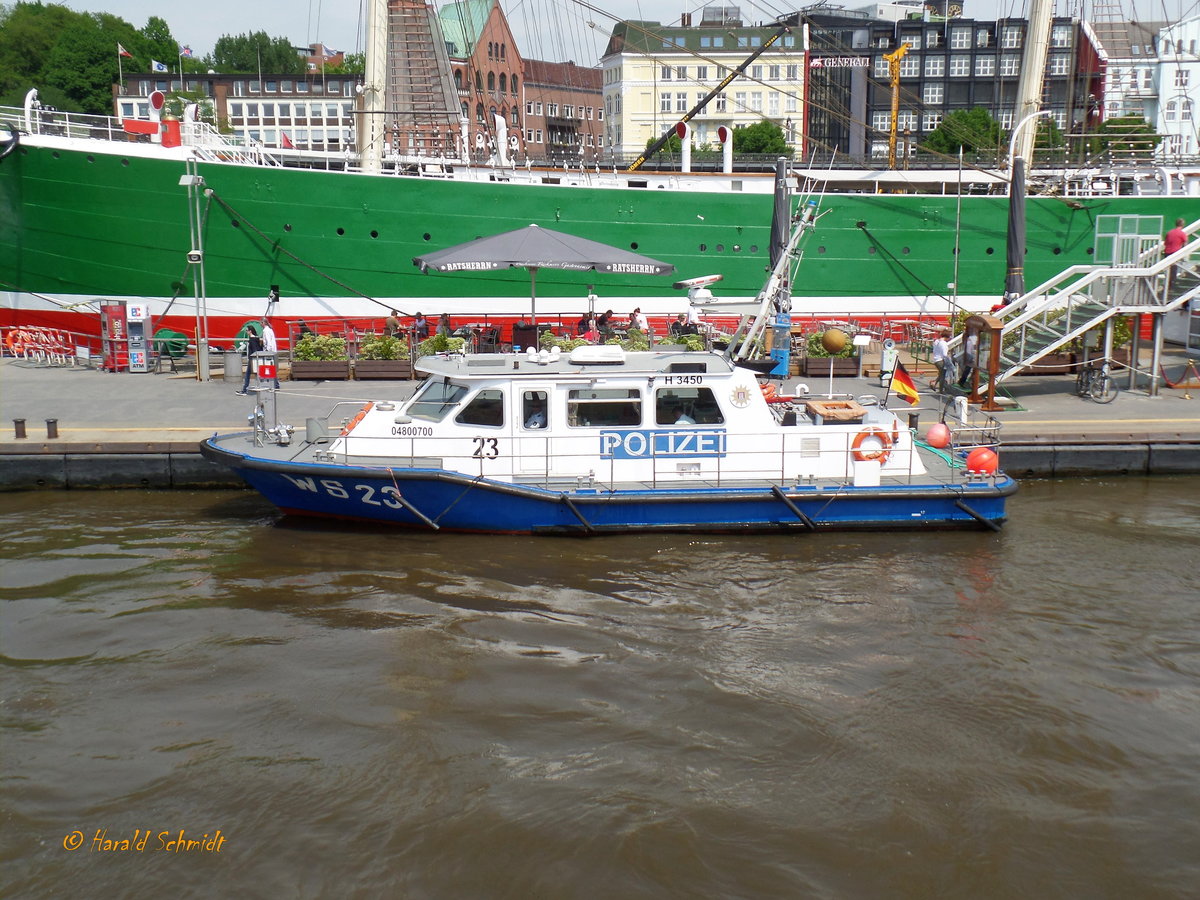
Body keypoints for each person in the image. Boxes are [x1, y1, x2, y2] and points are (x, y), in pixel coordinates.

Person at [236, 324, 264, 395]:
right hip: (255, 359)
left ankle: (244, 390)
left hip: (252, 359)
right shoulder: (256, 338)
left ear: (250, 331)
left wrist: (251, 358)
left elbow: (254, 350)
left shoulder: (252, 340)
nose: (246, 332)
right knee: (256, 373)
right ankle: (260, 386)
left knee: (248, 374)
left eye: (247, 330)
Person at [1164, 217, 1187, 291]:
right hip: (1175, 253)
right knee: (1174, 270)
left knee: (1168, 270)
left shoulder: (1169, 232)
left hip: (1167, 252)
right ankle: (1172, 286)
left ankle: (1167, 284)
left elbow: (1166, 243)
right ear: (1182, 224)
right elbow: (1185, 243)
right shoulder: (1182, 233)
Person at [931, 329, 952, 393]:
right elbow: (944, 354)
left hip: (936, 360)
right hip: (941, 360)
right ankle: (941, 390)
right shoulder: (943, 343)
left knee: (941, 374)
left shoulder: (937, 342)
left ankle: (934, 383)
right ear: (947, 337)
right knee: (943, 375)